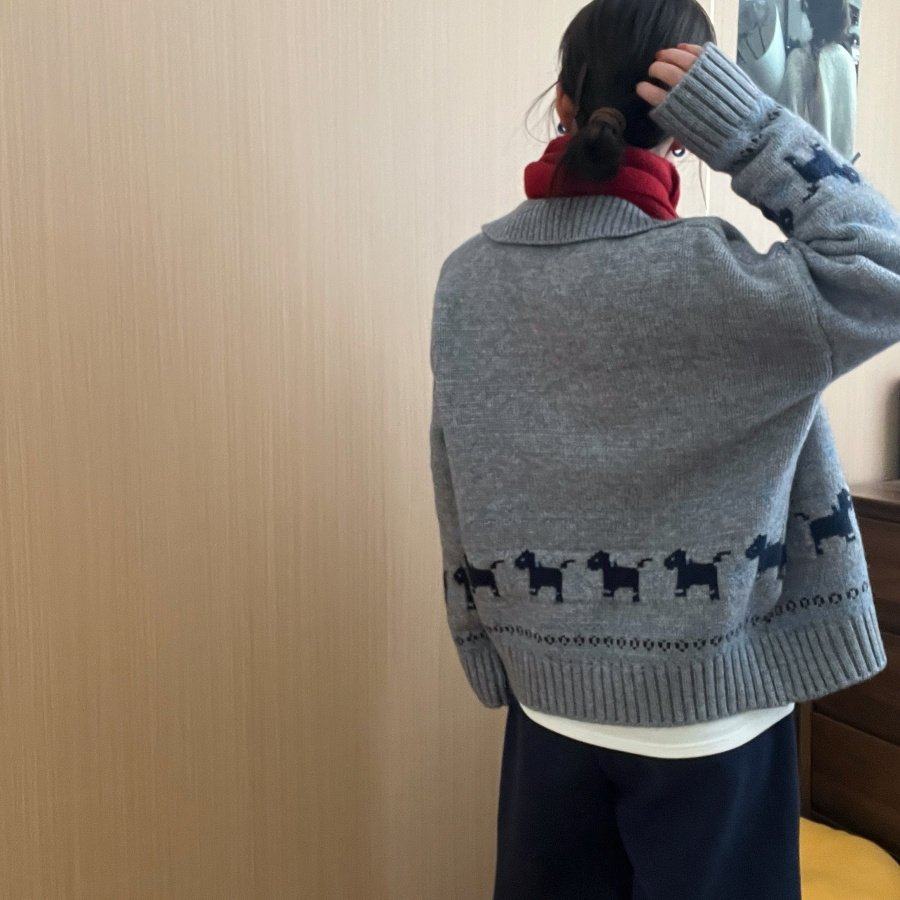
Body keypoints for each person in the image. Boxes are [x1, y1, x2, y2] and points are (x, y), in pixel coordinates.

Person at [427, 1, 900, 897]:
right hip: (712, 723)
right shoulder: (724, 279)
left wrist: (485, 649)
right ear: (685, 135)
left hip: (546, 713)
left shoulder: (467, 278)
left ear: (561, 103)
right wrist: (750, 130)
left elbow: (456, 474)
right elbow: (882, 265)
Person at [779, 0, 857, 160]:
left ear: (810, 13)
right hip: (840, 168)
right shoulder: (846, 60)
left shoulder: (799, 61)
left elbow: (787, 125)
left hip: (806, 166)